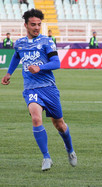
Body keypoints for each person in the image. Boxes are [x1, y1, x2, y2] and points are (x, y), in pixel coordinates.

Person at [1, 9, 77, 171]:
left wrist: (40, 67)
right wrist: (9, 73)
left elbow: (57, 63)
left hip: (49, 88)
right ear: (26, 25)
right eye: (33, 24)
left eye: (39, 24)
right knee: (36, 118)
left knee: (60, 125)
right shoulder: (19, 43)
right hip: (31, 89)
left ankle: (69, 149)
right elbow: (16, 56)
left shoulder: (47, 42)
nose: (36, 27)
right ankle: (46, 157)